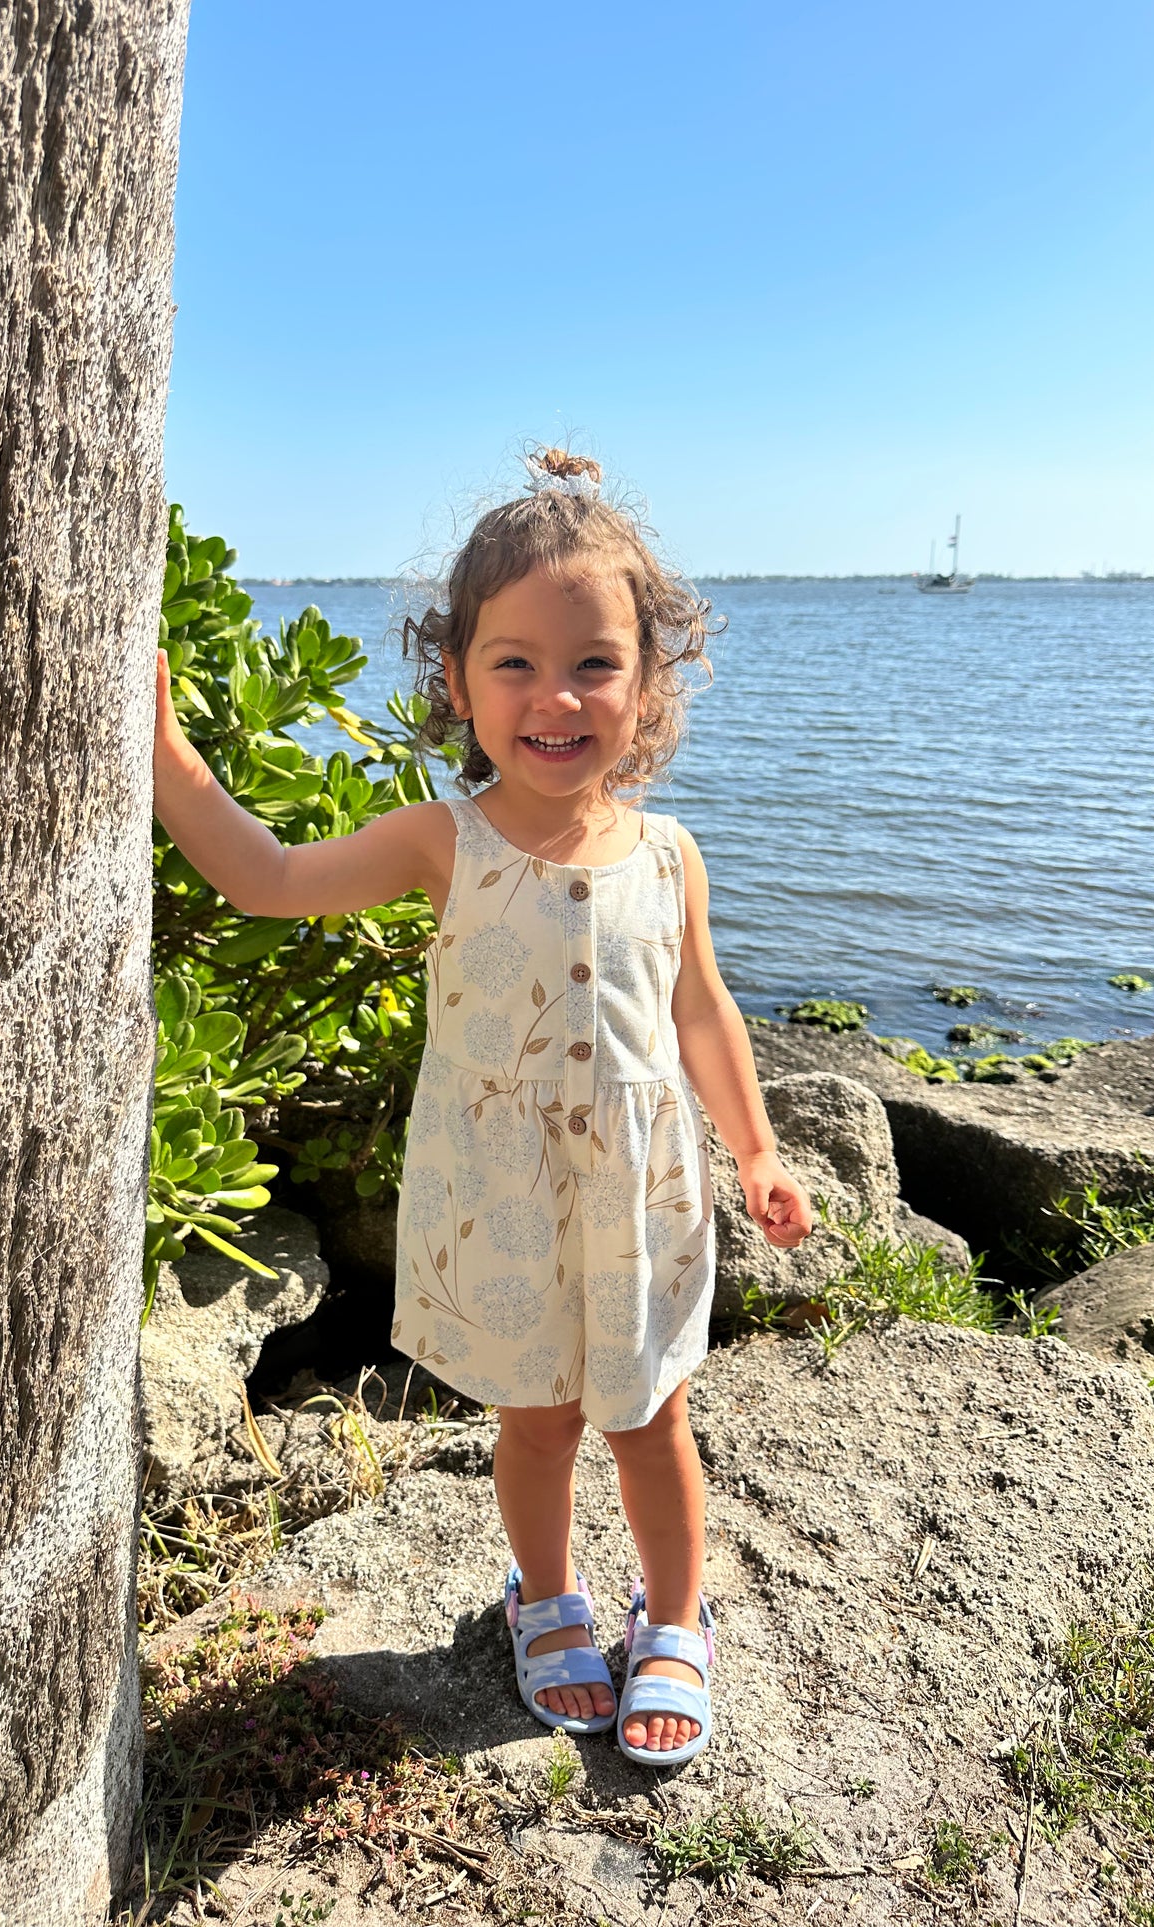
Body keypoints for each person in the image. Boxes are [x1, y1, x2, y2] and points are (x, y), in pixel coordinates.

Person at [152, 447, 814, 1766]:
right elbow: (270, 878)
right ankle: (547, 1595)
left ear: (649, 683)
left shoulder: (669, 855)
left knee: (647, 1418)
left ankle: (675, 1617)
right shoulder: (440, 841)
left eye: (594, 663)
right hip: (501, 1199)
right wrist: (162, 750)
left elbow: (700, 1011)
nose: (554, 696)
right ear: (454, 679)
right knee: (538, 1420)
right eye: (512, 662)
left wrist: (757, 1147)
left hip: (640, 1195)